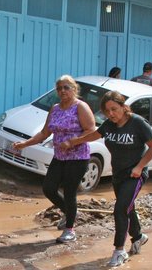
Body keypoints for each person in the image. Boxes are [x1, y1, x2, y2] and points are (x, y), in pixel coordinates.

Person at [59, 91, 152, 266]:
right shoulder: (109, 125)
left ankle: (119, 251)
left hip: (135, 175)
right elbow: (95, 135)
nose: (111, 114)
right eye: (107, 111)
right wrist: (73, 142)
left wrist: (140, 167)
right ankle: (139, 237)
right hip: (118, 174)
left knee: (120, 209)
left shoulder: (137, 123)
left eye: (114, 109)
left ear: (123, 106)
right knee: (127, 207)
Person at [12, 75, 96, 243]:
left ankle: (70, 230)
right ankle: (70, 212)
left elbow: (91, 130)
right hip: (59, 156)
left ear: (74, 89)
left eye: (66, 87)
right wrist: (25, 144)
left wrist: (72, 142)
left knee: (70, 191)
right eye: (59, 88)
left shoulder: (80, 107)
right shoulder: (55, 108)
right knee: (49, 188)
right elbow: (45, 133)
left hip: (78, 157)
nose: (62, 91)